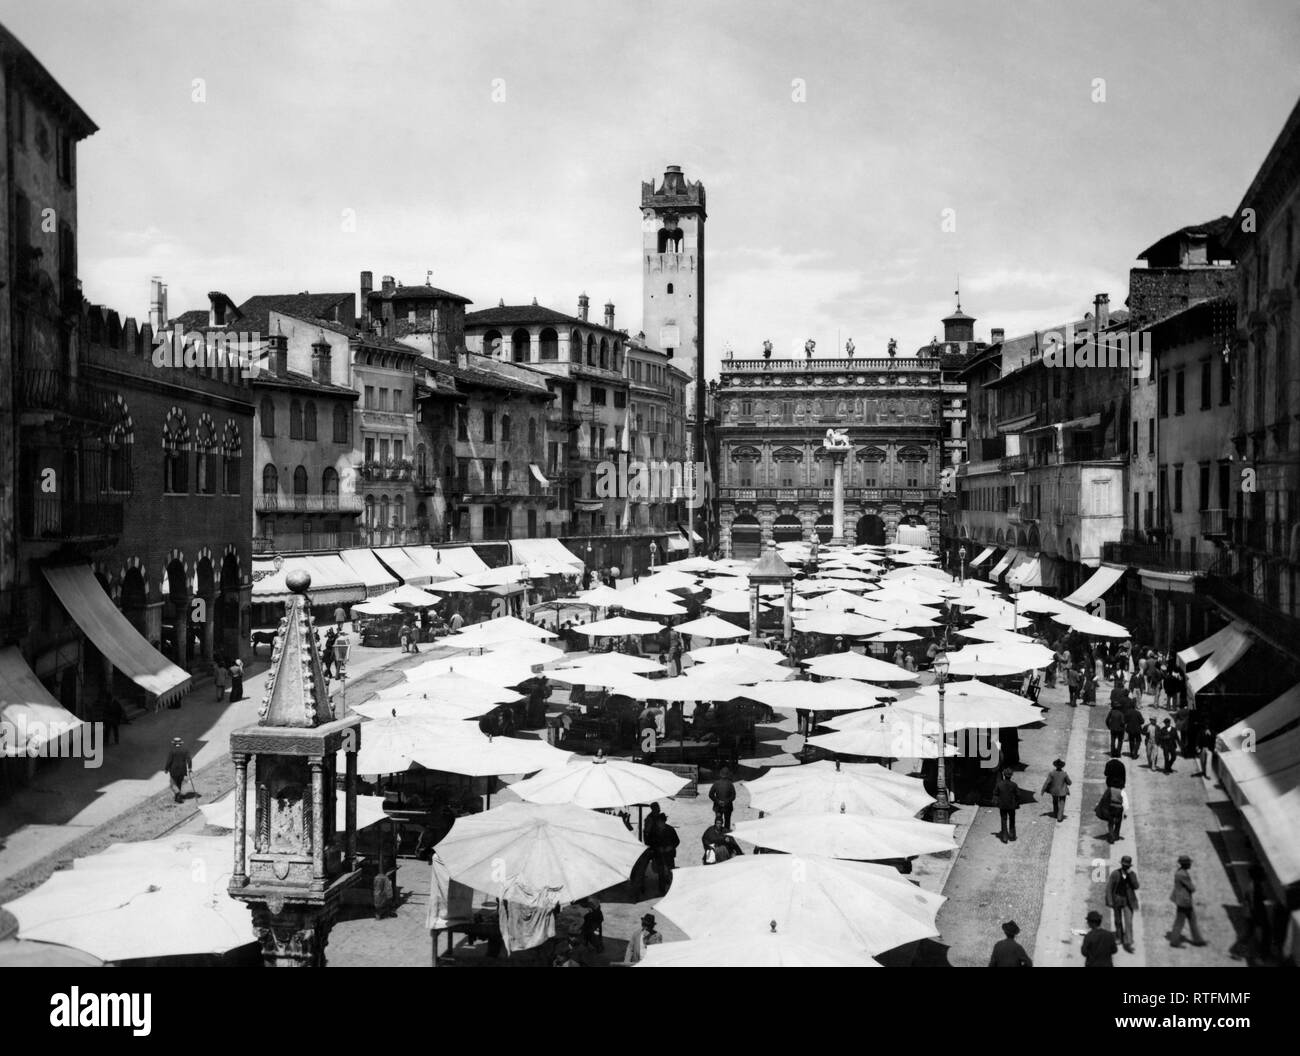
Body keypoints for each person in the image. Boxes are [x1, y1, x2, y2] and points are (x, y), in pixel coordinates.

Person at [1169, 855, 1207, 947]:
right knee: (1180, 921)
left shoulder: (1180, 872)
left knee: (1192, 920)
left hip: (1183, 900)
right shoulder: (1183, 874)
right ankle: (1174, 941)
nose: (1190, 864)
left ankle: (1198, 940)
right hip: (1184, 901)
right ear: (1185, 864)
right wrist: (1193, 888)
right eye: (1189, 863)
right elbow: (1191, 887)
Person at [1106, 856, 1140, 953]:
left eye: (1127, 866)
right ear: (1121, 864)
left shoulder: (1132, 874)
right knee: (1118, 921)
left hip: (1128, 901)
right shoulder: (1115, 874)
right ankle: (1119, 937)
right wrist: (1110, 901)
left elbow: (1136, 886)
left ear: (1129, 866)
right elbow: (1109, 888)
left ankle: (1128, 941)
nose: (1125, 867)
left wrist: (1131, 876)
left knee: (1128, 921)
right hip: (1117, 900)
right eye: (1124, 865)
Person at [653, 813, 680, 895]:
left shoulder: (670, 830)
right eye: (658, 822)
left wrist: (671, 847)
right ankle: (662, 891)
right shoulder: (655, 830)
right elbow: (652, 842)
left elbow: (677, 841)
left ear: (664, 821)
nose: (659, 823)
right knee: (661, 873)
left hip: (669, 855)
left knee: (670, 872)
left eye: (660, 821)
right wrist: (658, 848)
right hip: (659, 855)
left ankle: (672, 891)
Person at [994, 767, 1020, 843]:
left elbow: (995, 793)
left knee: (1003, 820)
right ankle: (1012, 836)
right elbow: (1018, 795)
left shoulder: (999, 784)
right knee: (1012, 820)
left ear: (1004, 775)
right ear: (1011, 775)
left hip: (1002, 805)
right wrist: (1017, 803)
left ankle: (1005, 837)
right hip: (1011, 806)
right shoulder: (1014, 785)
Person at [163, 737, 192, 803]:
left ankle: (178, 793)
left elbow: (169, 761)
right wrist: (190, 768)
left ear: (174, 743)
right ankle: (178, 798)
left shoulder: (172, 751)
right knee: (179, 783)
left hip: (174, 770)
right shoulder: (185, 750)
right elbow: (189, 759)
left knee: (172, 784)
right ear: (180, 743)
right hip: (182, 770)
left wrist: (166, 769)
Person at [1041, 758, 1071, 822]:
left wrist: (1042, 790)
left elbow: (1047, 782)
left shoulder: (1052, 773)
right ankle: (1059, 818)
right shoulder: (1064, 774)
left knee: (1055, 802)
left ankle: (1055, 814)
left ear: (1055, 766)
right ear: (1062, 766)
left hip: (1054, 791)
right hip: (1062, 791)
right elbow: (1069, 783)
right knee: (1062, 804)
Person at [710, 766, 737, 830]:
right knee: (727, 821)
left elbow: (711, 794)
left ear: (720, 774)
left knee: (718, 820)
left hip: (718, 806)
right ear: (728, 775)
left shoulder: (716, 783)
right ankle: (726, 833)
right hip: (727, 806)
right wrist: (726, 802)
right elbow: (733, 796)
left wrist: (718, 801)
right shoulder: (730, 784)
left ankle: (717, 833)